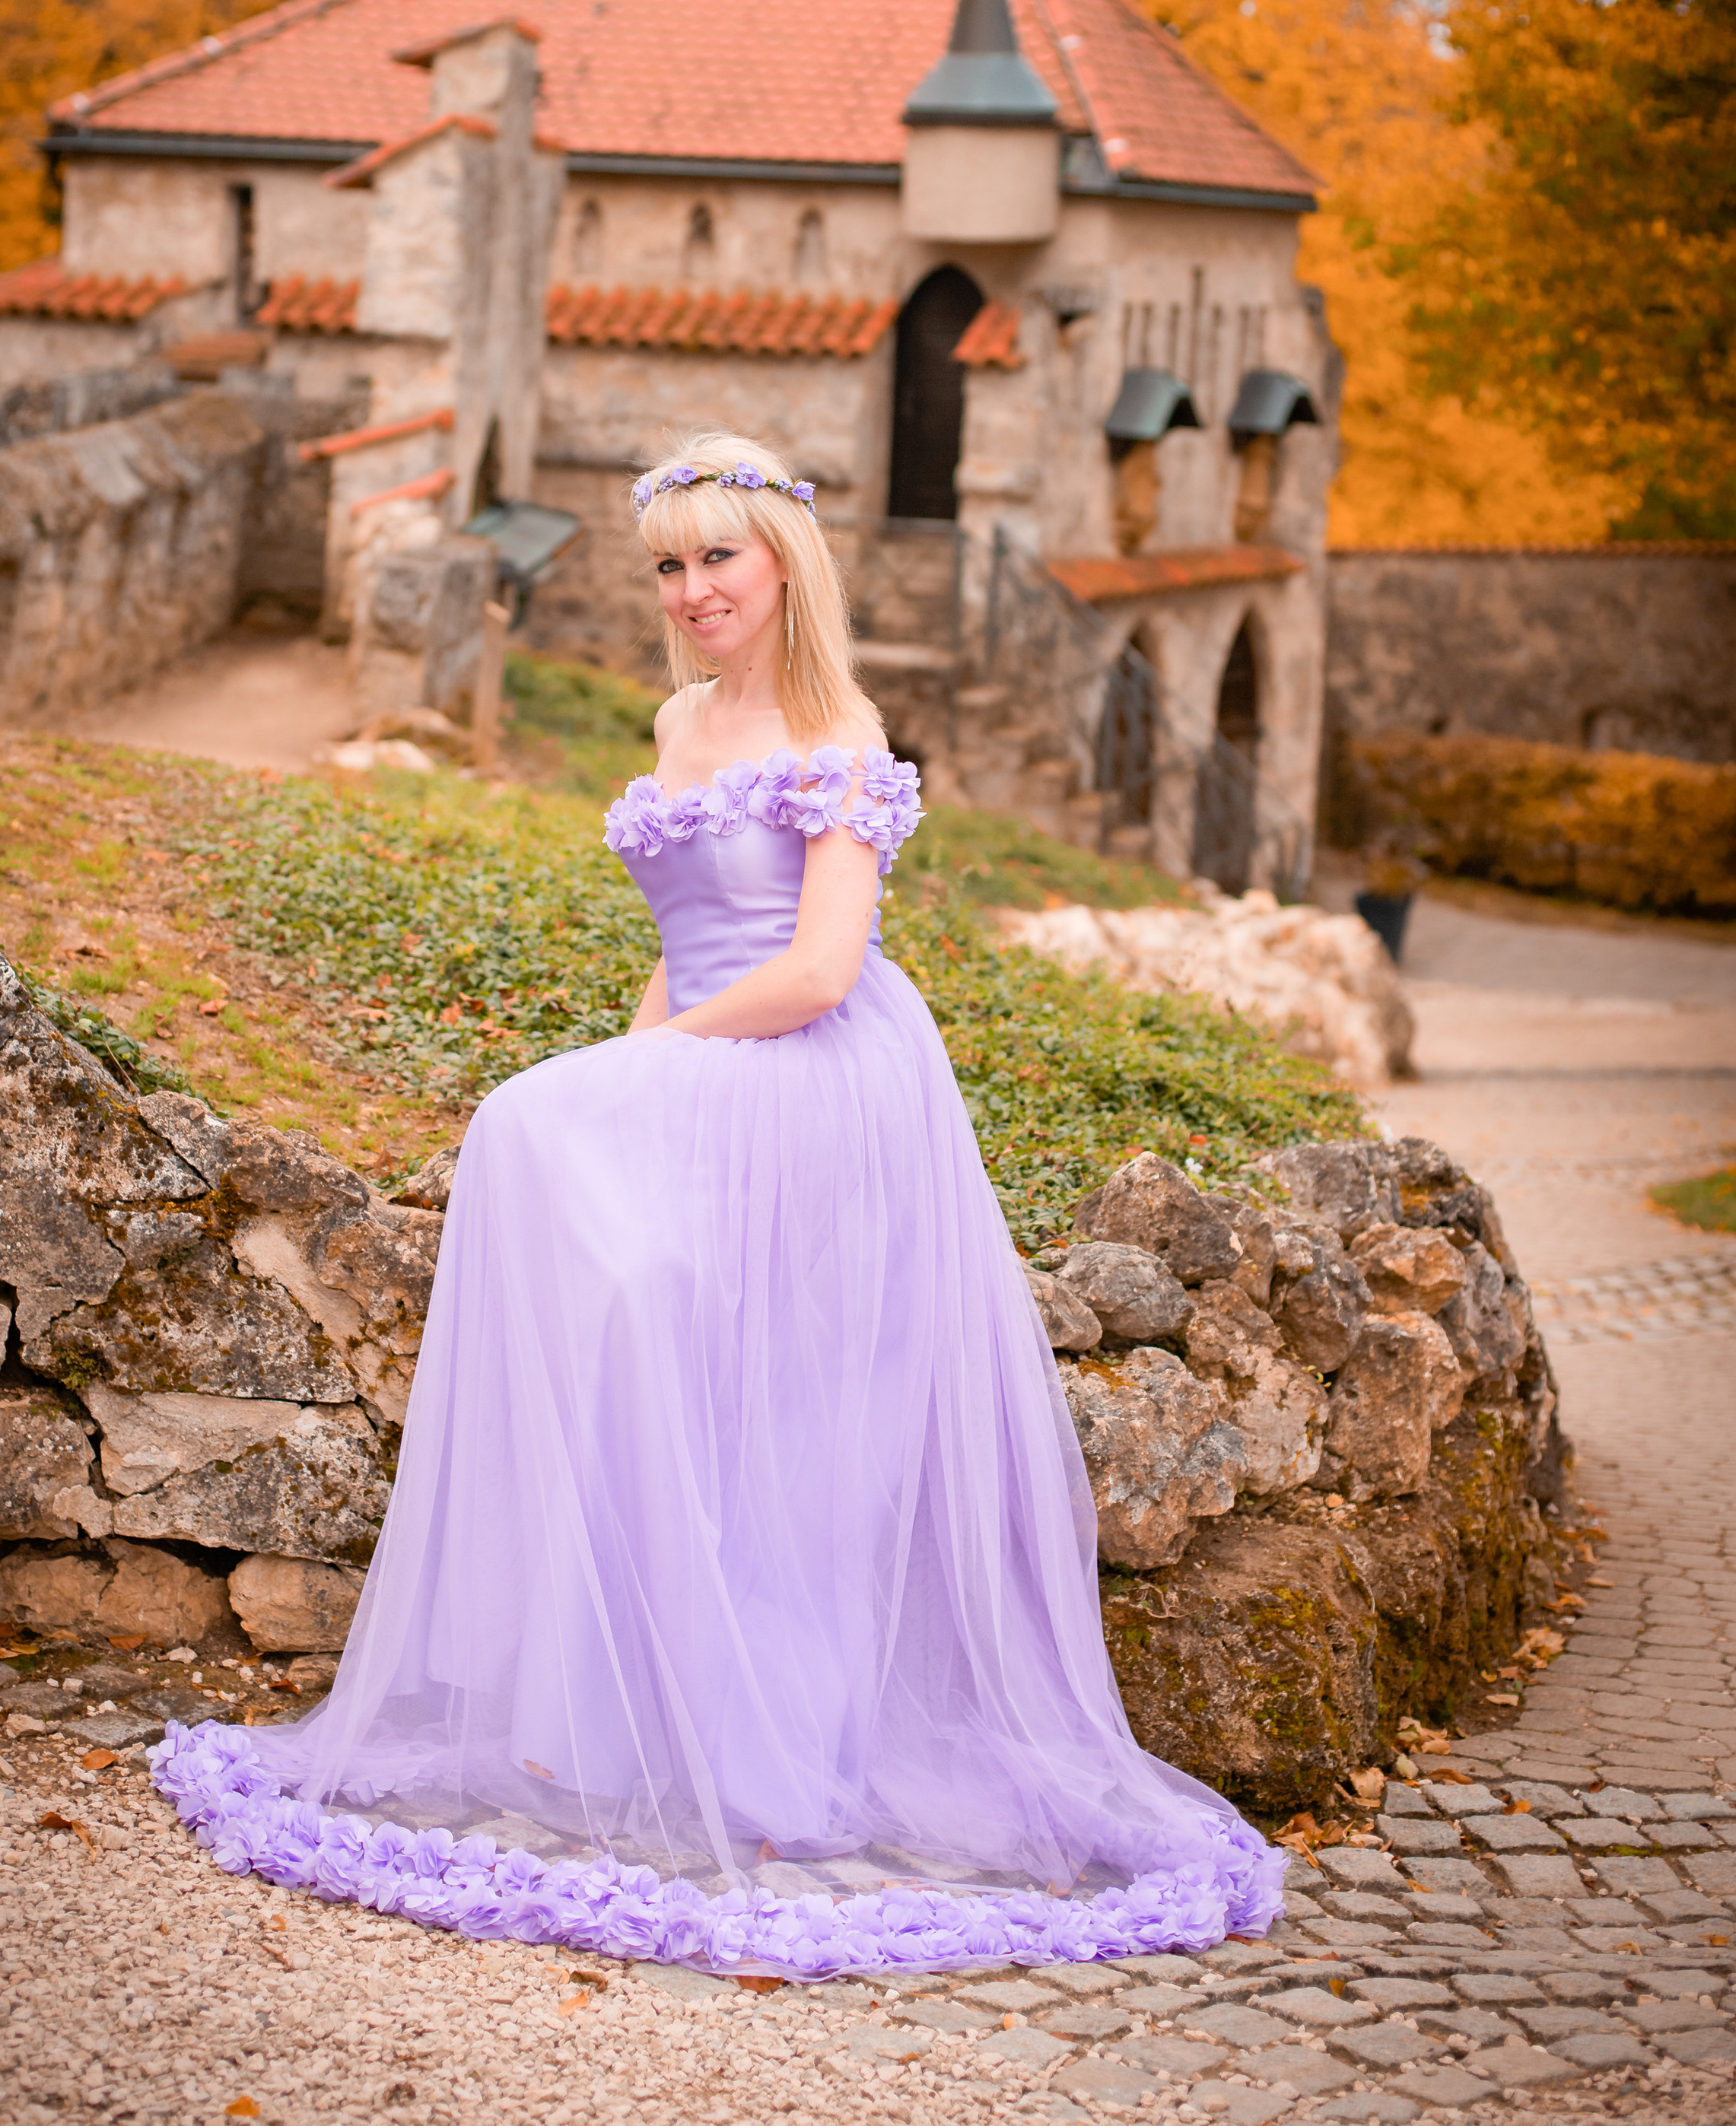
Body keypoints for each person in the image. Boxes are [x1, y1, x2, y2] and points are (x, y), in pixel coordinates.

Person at [155, 431, 1282, 1975]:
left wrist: (632, 1078)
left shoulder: (834, 723)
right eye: (668, 566)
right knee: (618, 1290)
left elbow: (818, 967)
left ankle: (776, 1758)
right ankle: (624, 1713)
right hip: (707, 1061)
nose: (690, 590)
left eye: (717, 561)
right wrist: (625, 1084)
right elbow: (678, 947)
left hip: (823, 1080)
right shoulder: (678, 719)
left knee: (789, 1402)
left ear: (780, 565)